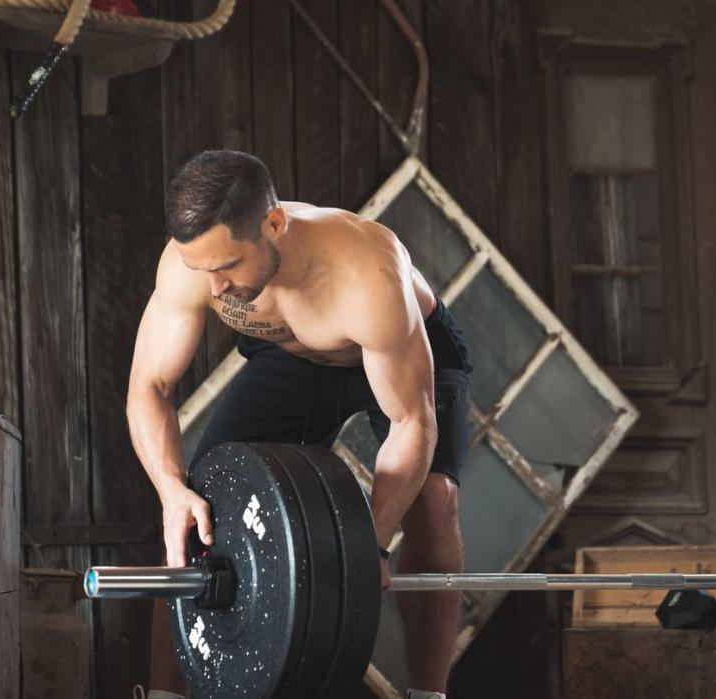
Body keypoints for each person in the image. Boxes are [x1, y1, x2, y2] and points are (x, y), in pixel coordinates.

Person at [126, 150, 473, 699]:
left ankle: (428, 693)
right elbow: (150, 388)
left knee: (433, 501)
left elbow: (412, 423)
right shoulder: (189, 264)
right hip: (291, 358)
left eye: (227, 267)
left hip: (399, 351)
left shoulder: (367, 270)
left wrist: (369, 548)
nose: (214, 288)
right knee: (196, 509)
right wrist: (170, 490)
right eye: (202, 270)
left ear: (274, 224)